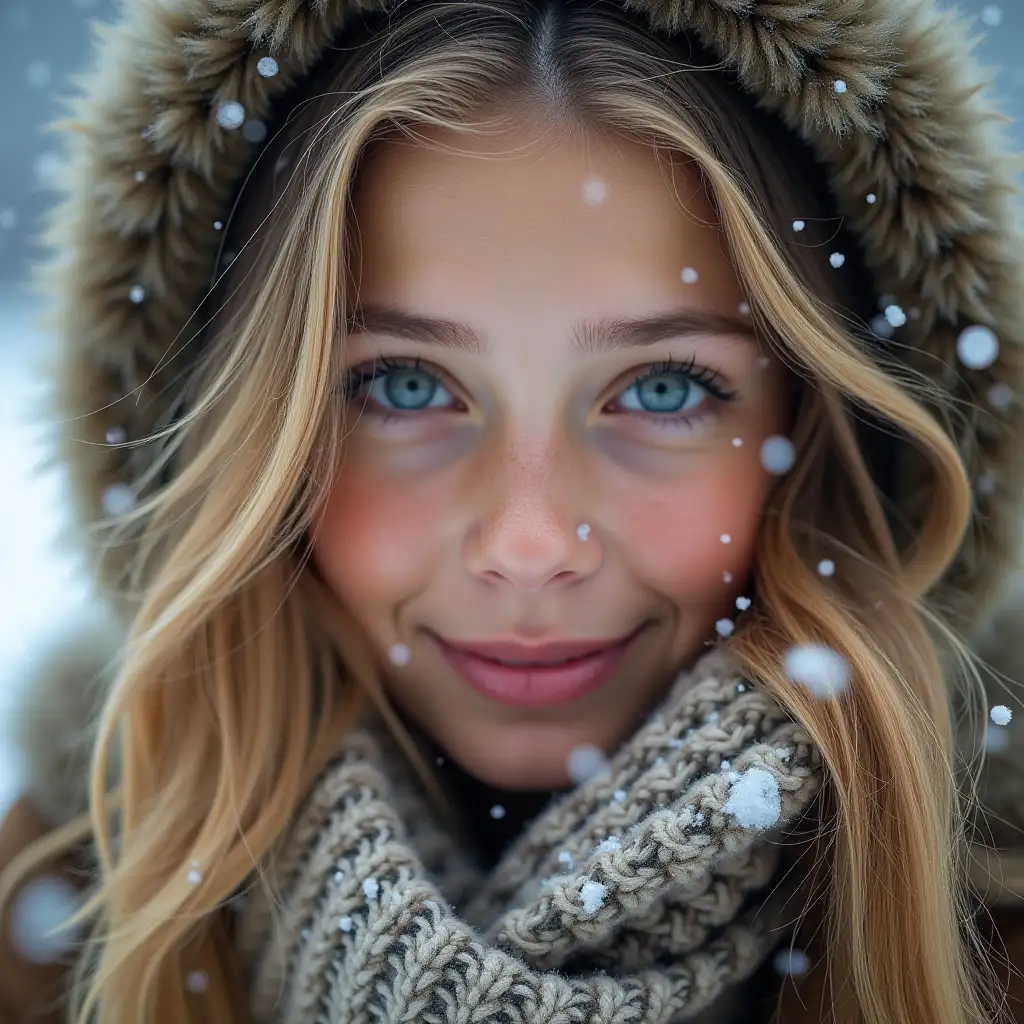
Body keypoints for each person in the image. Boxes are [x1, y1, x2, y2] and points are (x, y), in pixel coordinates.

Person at [0, 0, 1023, 1020]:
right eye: (402, 385)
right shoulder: (46, 926)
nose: (529, 546)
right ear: (244, 439)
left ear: (826, 437)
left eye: (662, 389)